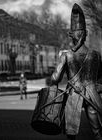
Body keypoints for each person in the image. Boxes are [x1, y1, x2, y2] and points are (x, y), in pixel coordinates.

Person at [51, 3, 102, 140]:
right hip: (93, 95)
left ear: (71, 35)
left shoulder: (66, 55)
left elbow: (55, 79)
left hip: (74, 93)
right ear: (85, 34)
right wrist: (96, 86)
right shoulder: (96, 55)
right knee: (97, 131)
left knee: (71, 132)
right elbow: (101, 80)